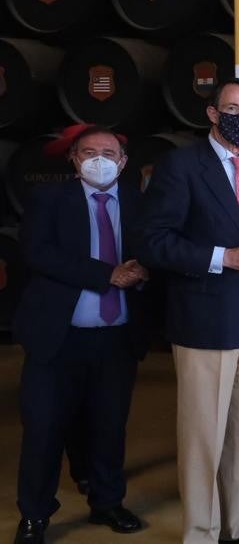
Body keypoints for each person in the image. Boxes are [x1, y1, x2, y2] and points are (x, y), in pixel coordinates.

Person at [144, 78, 239, 544]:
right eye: (233, 108)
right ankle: (199, 534)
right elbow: (154, 242)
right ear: (212, 113)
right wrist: (224, 256)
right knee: (204, 438)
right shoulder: (181, 165)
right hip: (204, 319)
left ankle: (238, 526)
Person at [14, 125, 149, 544]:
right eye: (89, 151)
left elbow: (153, 253)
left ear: (123, 162)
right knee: (44, 429)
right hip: (58, 338)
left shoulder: (138, 203)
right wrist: (105, 274)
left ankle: (107, 502)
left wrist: (144, 273)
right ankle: (35, 514)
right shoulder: (49, 199)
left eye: (109, 152)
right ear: (73, 159)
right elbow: (36, 253)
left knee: (109, 426)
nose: (99, 159)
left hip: (116, 337)